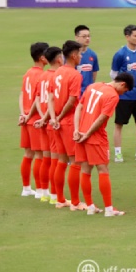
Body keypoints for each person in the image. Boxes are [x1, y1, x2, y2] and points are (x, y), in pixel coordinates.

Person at [73, 72, 134, 217]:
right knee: (103, 170)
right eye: (124, 91)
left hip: (80, 134)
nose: (123, 94)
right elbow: (101, 118)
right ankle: (108, 209)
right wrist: (88, 134)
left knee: (86, 171)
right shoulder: (113, 96)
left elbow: (78, 108)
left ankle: (90, 207)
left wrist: (77, 129)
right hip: (95, 137)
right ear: (122, 84)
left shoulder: (93, 86)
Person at [47, 40, 83, 209]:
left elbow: (52, 97)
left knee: (61, 161)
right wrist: (60, 116)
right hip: (68, 122)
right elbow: (72, 99)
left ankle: (60, 199)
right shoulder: (75, 75)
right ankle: (75, 202)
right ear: (74, 56)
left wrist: (53, 118)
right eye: (80, 53)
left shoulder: (58, 71)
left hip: (57, 123)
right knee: (75, 162)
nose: (81, 56)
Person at [110, 24, 136, 162]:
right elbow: (113, 74)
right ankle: (118, 153)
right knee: (119, 124)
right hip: (124, 96)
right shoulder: (120, 54)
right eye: (135, 36)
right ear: (127, 37)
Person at [18, 42, 48, 198]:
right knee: (40, 156)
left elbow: (22, 94)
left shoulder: (28, 73)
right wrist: (30, 115)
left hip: (26, 120)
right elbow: (37, 100)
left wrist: (22, 114)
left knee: (28, 154)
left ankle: (26, 188)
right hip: (35, 120)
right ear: (42, 57)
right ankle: (40, 189)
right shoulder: (41, 76)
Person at [33, 46, 61, 204]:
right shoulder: (57, 77)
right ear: (58, 59)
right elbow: (54, 101)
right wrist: (46, 118)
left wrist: (41, 117)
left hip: (43, 121)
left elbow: (37, 98)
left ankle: (43, 192)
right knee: (56, 160)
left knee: (45, 159)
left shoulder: (42, 76)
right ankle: (54, 195)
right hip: (51, 121)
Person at [74, 25, 99, 96]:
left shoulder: (93, 55)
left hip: (88, 93)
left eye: (89, 36)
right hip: (75, 93)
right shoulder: (71, 55)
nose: (87, 38)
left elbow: (94, 74)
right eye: (84, 36)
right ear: (76, 37)